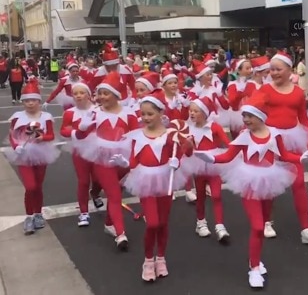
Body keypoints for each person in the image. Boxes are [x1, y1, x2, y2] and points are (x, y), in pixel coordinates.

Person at [194, 93, 308, 289]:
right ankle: (253, 268)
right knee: (258, 226)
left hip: (270, 180)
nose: (245, 120)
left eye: (249, 116)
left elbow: (285, 155)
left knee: (263, 226)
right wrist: (211, 159)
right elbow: (228, 156)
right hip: (249, 182)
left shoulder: (274, 135)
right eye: (244, 116)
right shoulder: (244, 136)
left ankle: (256, 259)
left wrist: (303, 158)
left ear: (260, 116)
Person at [114, 90, 193, 282]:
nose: (146, 118)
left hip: (165, 179)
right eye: (143, 114)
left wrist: (179, 159)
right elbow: (134, 160)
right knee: (153, 223)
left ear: (161, 114)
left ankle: (161, 258)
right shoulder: (137, 136)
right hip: (145, 180)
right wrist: (126, 163)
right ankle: (148, 260)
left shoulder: (170, 136)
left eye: (150, 114)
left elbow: (182, 154)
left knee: (163, 223)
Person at [252, 51, 308, 244]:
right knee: (270, 183)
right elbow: (253, 113)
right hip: (271, 140)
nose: (274, 73)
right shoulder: (265, 90)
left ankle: (306, 229)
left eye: (278, 69)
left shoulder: (298, 92)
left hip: (293, 140)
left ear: (289, 70)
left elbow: (304, 119)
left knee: (299, 183)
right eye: (272, 69)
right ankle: (267, 220)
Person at [76, 71, 140, 249]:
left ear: (116, 95)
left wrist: (133, 163)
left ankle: (109, 224)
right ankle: (121, 234)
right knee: (114, 195)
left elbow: (137, 138)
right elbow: (81, 136)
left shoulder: (129, 114)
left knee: (116, 192)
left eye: (106, 93)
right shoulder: (94, 113)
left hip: (124, 160)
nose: (101, 97)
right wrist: (82, 126)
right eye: (100, 93)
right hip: (103, 159)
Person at [3, 80, 60, 234]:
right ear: (23, 102)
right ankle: (29, 216)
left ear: (38, 101)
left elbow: (50, 135)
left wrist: (42, 138)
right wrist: (17, 147)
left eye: (33, 100)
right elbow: (13, 134)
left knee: (38, 186)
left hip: (41, 153)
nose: (30, 103)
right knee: (30, 186)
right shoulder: (17, 116)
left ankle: (38, 213)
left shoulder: (46, 116)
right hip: (24, 154)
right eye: (27, 100)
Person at [183, 96, 231, 241]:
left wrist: (237, 151)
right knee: (201, 195)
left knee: (216, 195)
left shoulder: (214, 127)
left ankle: (220, 226)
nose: (191, 113)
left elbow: (227, 143)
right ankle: (201, 222)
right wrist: (189, 145)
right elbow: (187, 152)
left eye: (195, 111)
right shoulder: (188, 129)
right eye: (190, 111)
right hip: (198, 165)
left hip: (213, 163)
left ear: (204, 113)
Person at [59, 82, 104, 227]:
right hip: (80, 150)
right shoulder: (70, 112)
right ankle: (84, 212)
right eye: (75, 93)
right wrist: (76, 132)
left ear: (88, 95)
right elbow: (63, 130)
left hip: (98, 150)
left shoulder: (99, 110)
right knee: (83, 181)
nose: (78, 96)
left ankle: (95, 193)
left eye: (81, 93)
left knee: (99, 180)